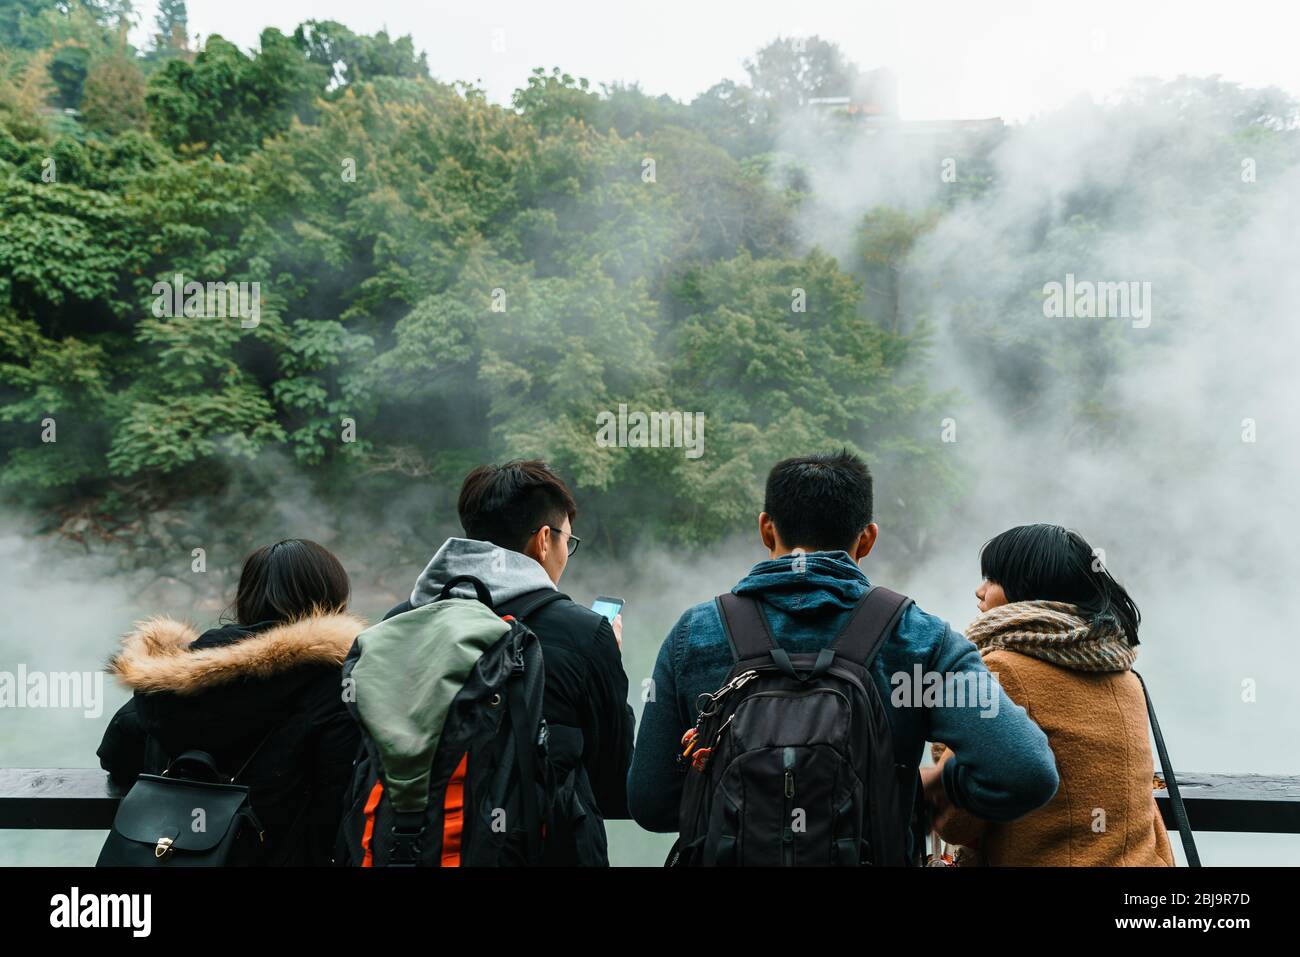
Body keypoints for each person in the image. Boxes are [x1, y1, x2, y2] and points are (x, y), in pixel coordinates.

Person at [627, 450, 1059, 862]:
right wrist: (918, 798)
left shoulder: (696, 632)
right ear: (868, 538)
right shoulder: (921, 638)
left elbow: (650, 803)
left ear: (766, 529)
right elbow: (1026, 773)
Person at [384, 459, 635, 864]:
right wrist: (608, 661)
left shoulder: (399, 623)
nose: (565, 555)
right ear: (542, 540)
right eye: (567, 542)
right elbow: (614, 785)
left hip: (414, 851)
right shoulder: (583, 634)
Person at [97, 539, 366, 865]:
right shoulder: (334, 682)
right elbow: (339, 796)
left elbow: (115, 755)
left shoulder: (178, 671)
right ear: (331, 599)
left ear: (246, 597)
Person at [928, 524, 1175, 866]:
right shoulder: (1123, 671)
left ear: (1029, 592)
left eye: (993, 579)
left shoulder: (1002, 670)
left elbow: (956, 822)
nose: (979, 591)